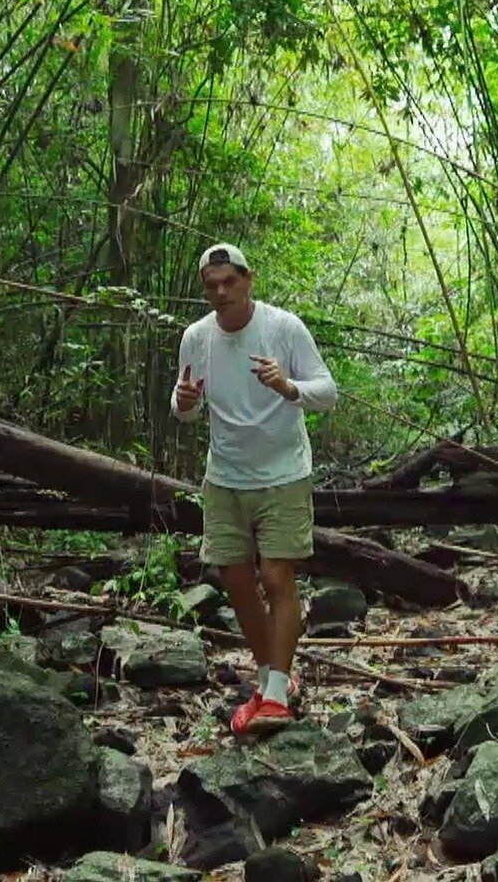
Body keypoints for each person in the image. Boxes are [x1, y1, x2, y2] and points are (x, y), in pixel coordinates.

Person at [171, 242, 337, 736]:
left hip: (283, 473)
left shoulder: (283, 328)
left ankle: (277, 696)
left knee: (277, 576)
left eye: (230, 282)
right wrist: (183, 402)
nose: (222, 292)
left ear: (249, 280)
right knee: (236, 580)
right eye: (212, 286)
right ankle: (269, 680)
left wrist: (288, 387)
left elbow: (327, 392)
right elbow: (186, 410)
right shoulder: (196, 337)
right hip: (225, 476)